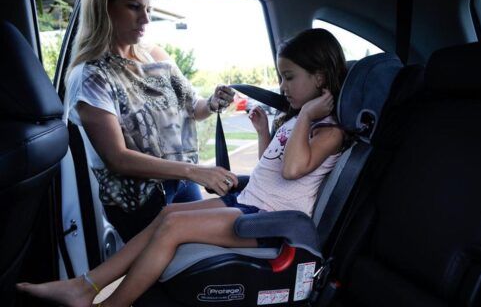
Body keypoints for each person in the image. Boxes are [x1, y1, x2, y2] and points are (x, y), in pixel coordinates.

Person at [17, 27, 348, 307]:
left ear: (319, 77)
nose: (282, 86)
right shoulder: (298, 121)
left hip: (271, 222)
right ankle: (84, 286)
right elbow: (274, 168)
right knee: (167, 214)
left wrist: (304, 117)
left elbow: (292, 171)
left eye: (289, 77)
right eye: (280, 77)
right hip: (251, 202)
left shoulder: (328, 131)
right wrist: (265, 132)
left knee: (173, 230)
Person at [63, 0, 238, 242]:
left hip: (183, 183)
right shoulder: (91, 76)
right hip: (138, 201)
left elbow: (195, 107)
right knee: (161, 276)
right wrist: (196, 171)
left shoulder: (156, 56)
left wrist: (213, 102)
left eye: (148, 10)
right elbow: (118, 159)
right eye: (134, 7)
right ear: (103, 7)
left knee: (194, 266)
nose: (145, 19)